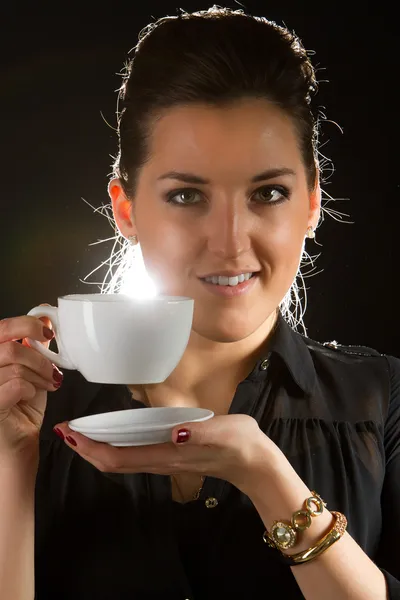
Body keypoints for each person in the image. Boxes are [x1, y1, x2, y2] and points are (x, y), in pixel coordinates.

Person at [0, 6, 398, 600]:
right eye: (187, 195)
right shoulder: (28, 412)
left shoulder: (382, 401)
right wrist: (11, 463)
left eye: (269, 193)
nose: (230, 241)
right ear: (127, 210)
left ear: (312, 205)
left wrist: (267, 477)